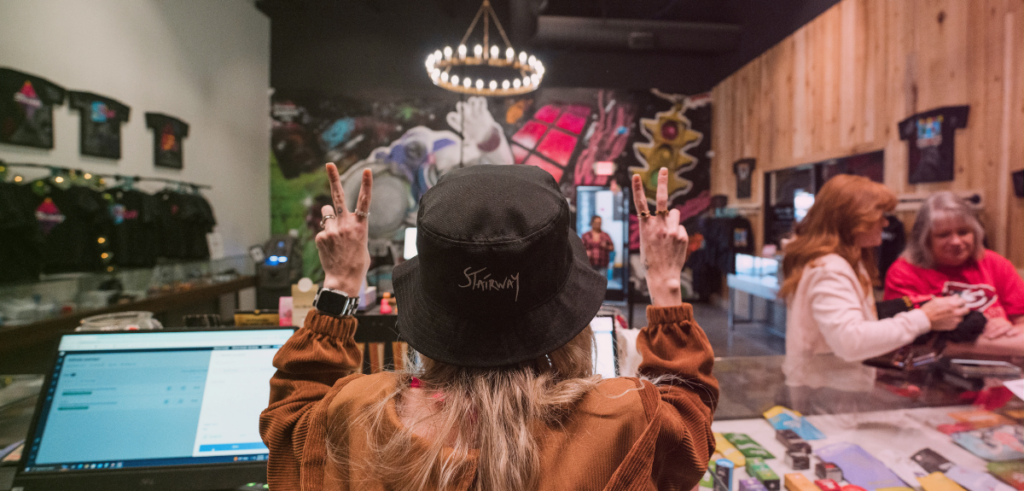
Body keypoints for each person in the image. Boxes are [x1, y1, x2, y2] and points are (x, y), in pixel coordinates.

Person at [259, 165, 718, 491]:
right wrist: (665, 284)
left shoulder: (356, 416)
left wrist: (339, 283)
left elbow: (291, 419)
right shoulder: (625, 421)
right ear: (566, 312)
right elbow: (691, 409)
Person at [779, 175, 968, 397]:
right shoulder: (830, 269)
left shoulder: (843, 262)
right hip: (824, 393)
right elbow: (850, 341)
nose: (885, 223)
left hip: (827, 387)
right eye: (879, 215)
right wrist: (924, 318)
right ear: (855, 219)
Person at [884, 191, 1024, 356]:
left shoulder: (996, 263)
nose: (956, 242)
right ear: (924, 240)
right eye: (943, 235)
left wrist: (1006, 327)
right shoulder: (904, 272)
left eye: (963, 232)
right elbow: (911, 342)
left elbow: (1021, 321)